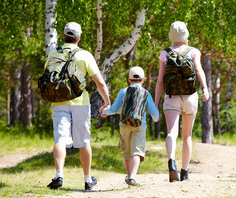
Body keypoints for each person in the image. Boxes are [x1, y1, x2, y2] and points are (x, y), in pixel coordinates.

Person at [46, 22, 111, 190]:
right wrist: (107, 101)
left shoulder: (53, 53)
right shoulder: (84, 55)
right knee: (83, 141)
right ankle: (88, 180)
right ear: (79, 37)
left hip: (58, 100)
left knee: (60, 139)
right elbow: (100, 83)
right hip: (80, 102)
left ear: (63, 36)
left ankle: (59, 175)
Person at [155, 21, 209, 182]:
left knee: (171, 132)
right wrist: (205, 88)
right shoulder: (193, 52)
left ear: (172, 36)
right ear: (186, 35)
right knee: (187, 136)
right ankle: (185, 172)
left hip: (171, 97)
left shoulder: (164, 54)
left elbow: (159, 81)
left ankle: (172, 162)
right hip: (190, 97)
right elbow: (198, 70)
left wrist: (155, 102)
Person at [100, 66, 159, 186]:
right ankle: (132, 176)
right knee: (137, 151)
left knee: (126, 151)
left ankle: (128, 177)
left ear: (129, 79)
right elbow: (155, 114)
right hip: (140, 124)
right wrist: (156, 119)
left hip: (124, 124)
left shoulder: (123, 91)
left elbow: (114, 109)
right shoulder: (146, 93)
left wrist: (104, 112)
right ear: (143, 80)